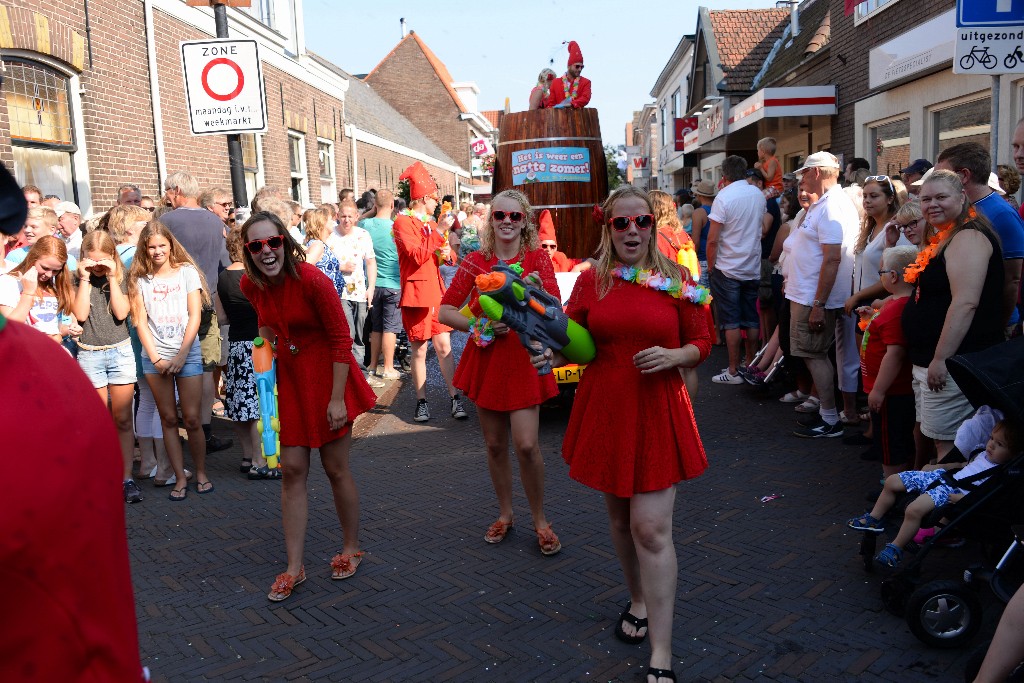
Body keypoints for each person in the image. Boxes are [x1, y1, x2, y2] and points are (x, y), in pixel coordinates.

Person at [532, 186, 710, 683]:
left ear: (654, 225)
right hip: (607, 407)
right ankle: (638, 599)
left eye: (642, 222)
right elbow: (578, 342)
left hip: (656, 409)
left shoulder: (676, 278)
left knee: (650, 528)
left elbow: (703, 339)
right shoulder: (592, 282)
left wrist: (676, 357)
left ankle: (661, 652)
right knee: (619, 521)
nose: (632, 231)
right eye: (621, 223)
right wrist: (554, 354)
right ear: (607, 227)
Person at [237, 211, 377, 601]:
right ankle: (294, 568)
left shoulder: (312, 280)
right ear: (248, 252)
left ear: (285, 240)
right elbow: (264, 324)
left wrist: (336, 399)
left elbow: (341, 338)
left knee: (335, 469)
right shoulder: (252, 285)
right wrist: (267, 354)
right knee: (293, 470)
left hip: (328, 375)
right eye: (257, 245)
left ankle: (351, 547)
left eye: (273, 242)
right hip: (292, 379)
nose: (267, 251)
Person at [439, 190, 562, 556]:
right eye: (500, 216)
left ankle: (540, 520)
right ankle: (506, 514)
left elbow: (556, 310)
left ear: (524, 222)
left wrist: (537, 300)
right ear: (490, 221)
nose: (507, 222)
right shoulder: (476, 261)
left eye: (514, 217)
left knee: (526, 445)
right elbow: (446, 312)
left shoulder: (538, 258)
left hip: (525, 360)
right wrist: (480, 327)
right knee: (494, 445)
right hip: (488, 359)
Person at [901, 170, 1006, 461]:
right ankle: (920, 492)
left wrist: (940, 359)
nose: (932, 204)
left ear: (961, 197)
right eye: (926, 199)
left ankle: (941, 504)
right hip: (931, 361)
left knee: (950, 447)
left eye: (941, 197)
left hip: (952, 363)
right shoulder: (945, 236)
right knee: (931, 436)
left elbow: (965, 303)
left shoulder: (969, 236)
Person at [848, 419, 1021, 568]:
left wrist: (963, 499)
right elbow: (963, 466)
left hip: (953, 491)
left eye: (999, 444)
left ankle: (895, 548)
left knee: (914, 509)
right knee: (892, 480)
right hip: (941, 477)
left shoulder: (999, 474)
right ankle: (874, 519)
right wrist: (939, 466)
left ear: (1013, 455)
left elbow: (986, 497)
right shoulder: (982, 453)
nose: (991, 444)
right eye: (991, 438)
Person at [128, 221, 213, 501]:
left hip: (186, 355)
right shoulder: (139, 279)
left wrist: (180, 355)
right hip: (155, 358)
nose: (156, 251)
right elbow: (139, 321)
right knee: (167, 418)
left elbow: (195, 316)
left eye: (161, 245)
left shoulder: (186, 272)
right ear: (144, 248)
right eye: (151, 247)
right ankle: (179, 476)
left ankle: (200, 473)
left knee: (191, 418)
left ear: (170, 245)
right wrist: (156, 358)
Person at [786, 152, 860, 438]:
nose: (801, 178)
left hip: (812, 297)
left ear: (816, 172)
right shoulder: (825, 203)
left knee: (814, 355)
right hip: (807, 294)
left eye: (804, 173)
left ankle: (830, 419)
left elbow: (832, 259)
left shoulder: (831, 207)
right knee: (813, 354)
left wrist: (818, 303)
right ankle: (828, 415)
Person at [161, 171, 233, 454]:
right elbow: (223, 264)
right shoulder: (215, 221)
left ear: (177, 190)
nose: (166, 197)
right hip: (207, 302)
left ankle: (173, 430)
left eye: (168, 192)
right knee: (204, 367)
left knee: (171, 362)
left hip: (174, 304)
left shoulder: (165, 221)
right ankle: (204, 431)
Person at [393, 162, 465, 422]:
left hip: (435, 292)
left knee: (444, 346)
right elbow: (415, 255)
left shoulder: (431, 224)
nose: (437, 203)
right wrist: (440, 231)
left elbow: (447, 254)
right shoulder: (402, 223)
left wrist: (448, 254)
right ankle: (421, 402)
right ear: (423, 198)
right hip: (416, 295)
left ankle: (455, 398)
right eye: (435, 198)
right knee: (420, 350)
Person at [73, 230, 140, 502]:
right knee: (98, 420)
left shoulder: (121, 276)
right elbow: (80, 314)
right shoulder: (76, 278)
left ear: (112, 256)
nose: (98, 265)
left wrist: (112, 276)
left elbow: (122, 313)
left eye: (103, 259)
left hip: (119, 351)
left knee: (123, 419)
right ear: (84, 258)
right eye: (92, 260)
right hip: (89, 352)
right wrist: (85, 278)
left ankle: (126, 478)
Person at [935, 143, 1024, 337]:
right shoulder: (961, 208)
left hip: (987, 327)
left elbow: (1012, 279)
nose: (936, 182)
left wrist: (997, 329)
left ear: (964, 176)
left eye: (942, 176)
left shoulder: (1001, 214)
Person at [216, 229, 277, 480]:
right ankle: (258, 461)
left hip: (236, 345)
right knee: (258, 406)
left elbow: (221, 318)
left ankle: (246, 456)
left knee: (240, 405)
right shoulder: (257, 277)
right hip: (258, 345)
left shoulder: (221, 278)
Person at [856, 245, 918, 479]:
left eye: (881, 272)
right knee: (893, 439)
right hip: (887, 390)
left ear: (893, 276)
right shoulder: (892, 304)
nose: (880, 276)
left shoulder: (896, 310)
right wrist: (870, 318)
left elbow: (895, 353)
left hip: (891, 392)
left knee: (891, 443)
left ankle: (892, 486)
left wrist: (879, 390)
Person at [707, 155, 765, 384]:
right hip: (751, 265)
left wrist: (711, 266)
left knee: (730, 320)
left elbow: (712, 240)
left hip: (728, 266)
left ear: (724, 175)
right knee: (751, 317)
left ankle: (732, 371)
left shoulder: (724, 197)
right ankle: (749, 363)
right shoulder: (757, 194)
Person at [327, 199, 378, 379]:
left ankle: (359, 375)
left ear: (356, 217)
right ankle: (348, 375)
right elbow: (320, 263)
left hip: (359, 292)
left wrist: (371, 288)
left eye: (350, 216)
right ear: (337, 216)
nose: (346, 220)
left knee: (359, 334)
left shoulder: (363, 234)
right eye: (343, 216)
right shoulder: (330, 235)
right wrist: (341, 267)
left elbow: (371, 262)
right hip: (338, 292)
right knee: (346, 333)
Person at [845, 175, 907, 316]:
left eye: (874, 196)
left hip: (880, 302)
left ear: (890, 199)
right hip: (862, 301)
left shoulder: (895, 230)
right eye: (865, 196)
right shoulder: (870, 228)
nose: (867, 201)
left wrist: (857, 296)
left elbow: (894, 275)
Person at [359, 188, 403, 380]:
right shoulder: (397, 227)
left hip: (372, 283)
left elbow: (355, 220)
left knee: (376, 327)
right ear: (393, 205)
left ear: (375, 205)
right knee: (390, 327)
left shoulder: (366, 224)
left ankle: (372, 365)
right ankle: (388, 367)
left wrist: (373, 210)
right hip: (393, 283)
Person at [0, 236, 75, 343]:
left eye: (55, 270)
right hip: (26, 351)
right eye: (45, 268)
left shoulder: (53, 283)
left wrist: (66, 329)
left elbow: (51, 324)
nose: (49, 274)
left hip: (52, 349)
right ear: (32, 258)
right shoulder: (9, 281)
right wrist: (28, 293)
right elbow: (10, 327)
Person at [302, 206, 346, 299]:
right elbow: (305, 268)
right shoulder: (318, 245)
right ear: (322, 223)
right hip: (323, 299)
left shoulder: (320, 243)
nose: (334, 222)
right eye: (330, 219)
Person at [544, 41, 591, 109]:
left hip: (578, 118)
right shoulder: (555, 82)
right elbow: (551, 104)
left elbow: (585, 98)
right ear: (569, 66)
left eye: (582, 67)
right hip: (559, 118)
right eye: (577, 66)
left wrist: (571, 104)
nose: (580, 69)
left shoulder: (586, 82)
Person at [691, 181, 715, 287]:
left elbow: (695, 241)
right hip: (719, 259)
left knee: (703, 297)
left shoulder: (699, 212)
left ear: (700, 195)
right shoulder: (720, 209)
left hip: (703, 260)